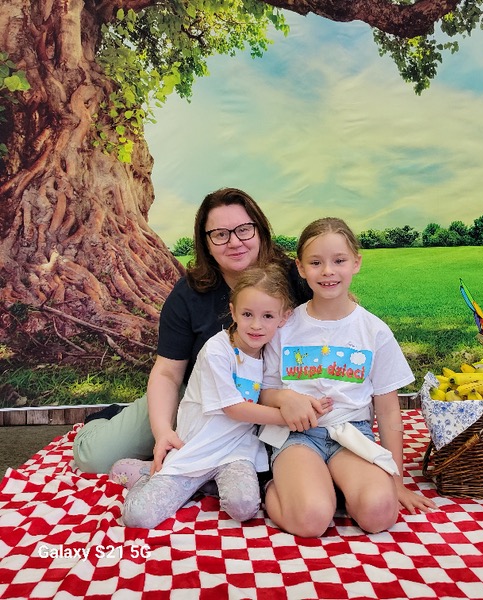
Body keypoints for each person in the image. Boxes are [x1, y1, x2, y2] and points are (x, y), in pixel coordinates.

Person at [72, 187, 318, 475]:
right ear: (206, 243)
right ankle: (110, 418)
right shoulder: (189, 294)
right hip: (201, 397)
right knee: (96, 458)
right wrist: (163, 432)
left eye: (244, 230)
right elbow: (167, 373)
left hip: (278, 392)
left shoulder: (295, 278)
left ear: (260, 231)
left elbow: (336, 320)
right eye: (220, 234)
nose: (234, 242)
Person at [259, 217, 437, 538]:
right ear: (301, 268)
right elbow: (263, 391)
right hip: (297, 436)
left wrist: (396, 480)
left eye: (339, 261)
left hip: (353, 436)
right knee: (311, 520)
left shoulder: (374, 331)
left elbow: (388, 410)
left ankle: (337, 487)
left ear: (356, 263)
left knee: (379, 513)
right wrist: (286, 398)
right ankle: (276, 487)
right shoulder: (285, 327)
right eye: (316, 262)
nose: (328, 271)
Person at [111, 265, 294, 528]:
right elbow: (234, 408)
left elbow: (270, 392)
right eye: (247, 314)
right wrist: (287, 417)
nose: (256, 325)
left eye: (267, 316)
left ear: (283, 318)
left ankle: (207, 482)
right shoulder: (217, 350)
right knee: (138, 517)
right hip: (197, 446)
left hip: (236, 449)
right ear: (233, 311)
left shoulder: (271, 350)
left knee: (244, 507)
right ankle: (145, 476)